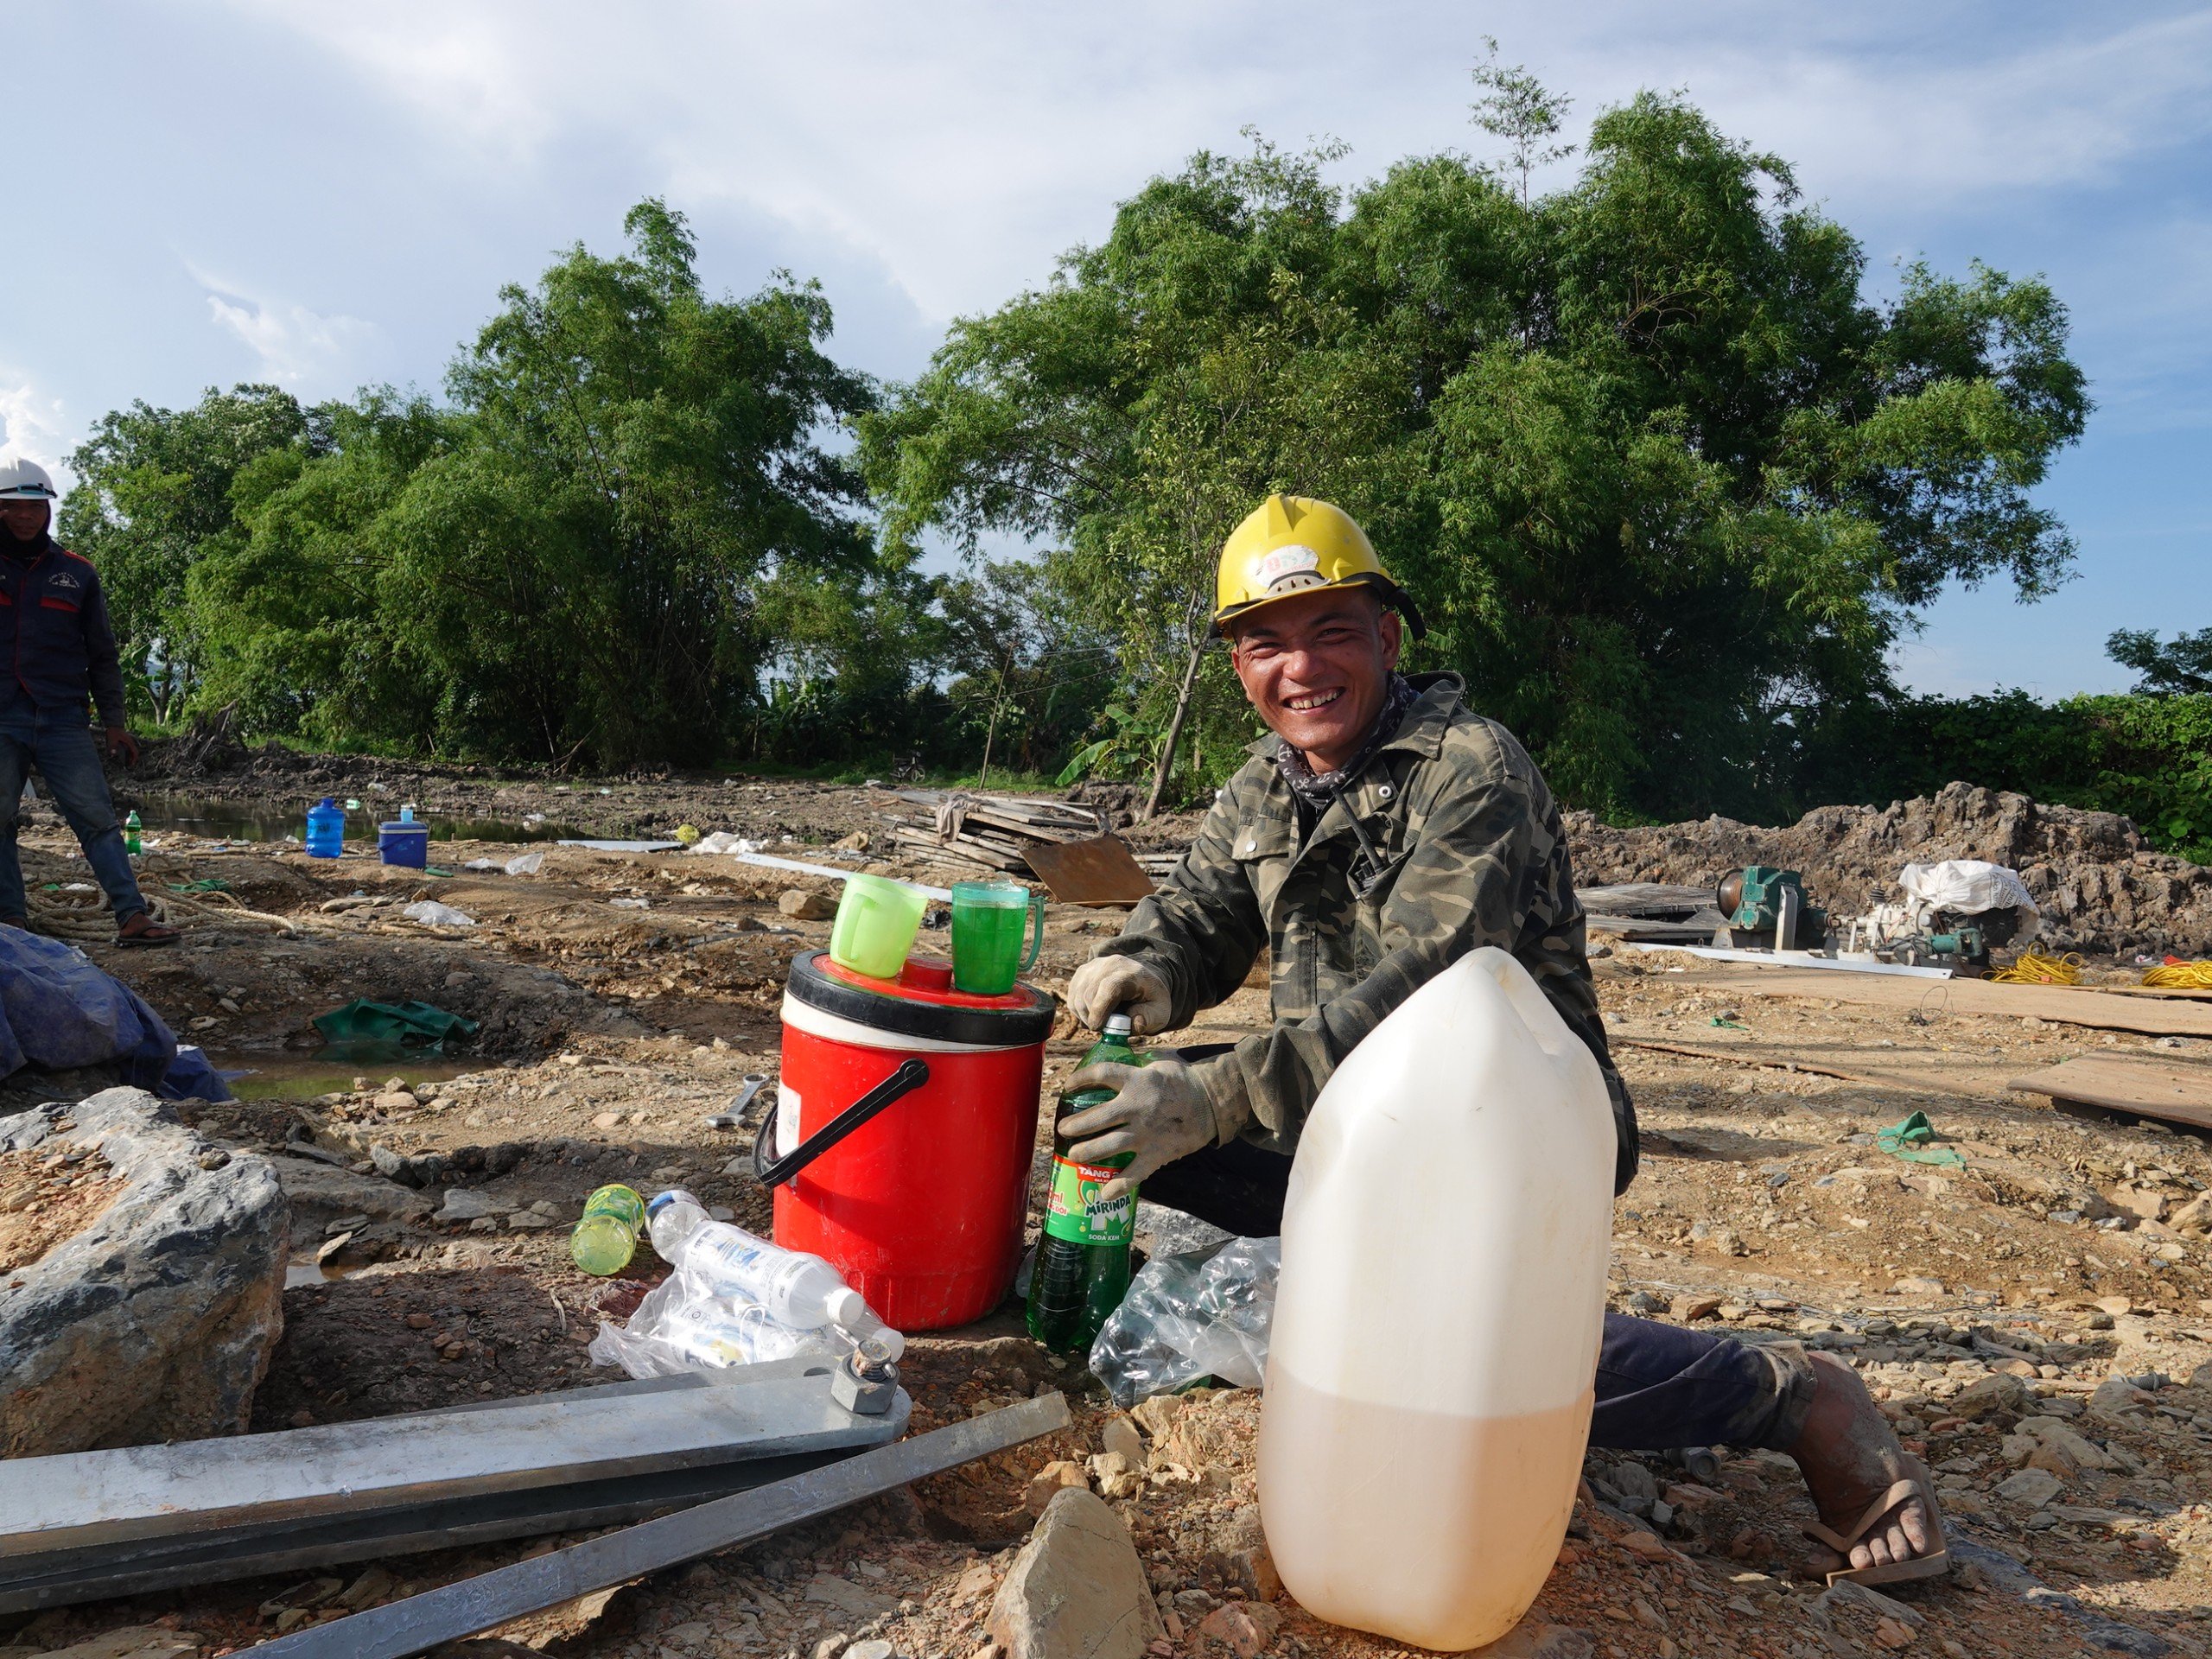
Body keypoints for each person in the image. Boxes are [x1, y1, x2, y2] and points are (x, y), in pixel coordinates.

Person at [1060, 494, 1943, 1586]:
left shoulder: (1472, 769)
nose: (1301, 668)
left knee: (1442, 1338)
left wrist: (1213, 1099)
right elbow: (1201, 913)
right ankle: (1145, 1316)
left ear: (1387, 638)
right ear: (1239, 667)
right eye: (1266, 644)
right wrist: (1147, 963)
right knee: (1105, 1125)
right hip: (1344, 1114)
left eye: (1332, 632)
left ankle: (1791, 1397)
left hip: (1506, 1128)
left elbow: (1423, 984)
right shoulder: (1264, 785)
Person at [0, 458, 175, 947]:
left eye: (35, 506)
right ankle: (11, 922)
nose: (25, 516)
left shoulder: (77, 573)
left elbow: (102, 654)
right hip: (2, 716)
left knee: (97, 818)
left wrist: (115, 722)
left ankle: (132, 916)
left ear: (48, 510)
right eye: (13, 506)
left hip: (62, 717)